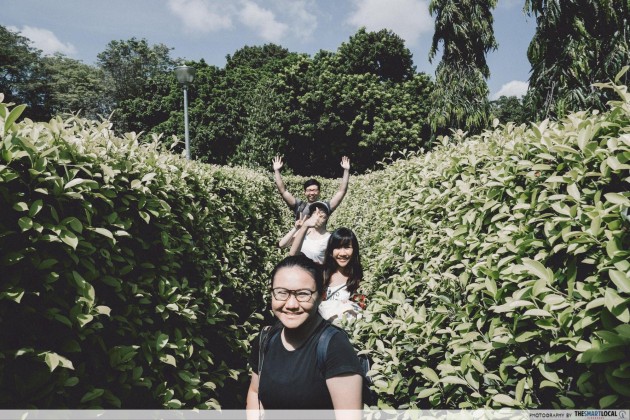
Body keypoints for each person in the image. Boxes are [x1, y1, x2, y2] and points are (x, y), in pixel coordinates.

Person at [246, 254, 363, 414]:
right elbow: (255, 392)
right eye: (282, 292)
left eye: (303, 294)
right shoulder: (266, 339)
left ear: (321, 296)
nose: (291, 304)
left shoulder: (334, 346)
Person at [272, 155, 351, 220]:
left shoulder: (325, 207)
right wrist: (276, 170)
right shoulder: (299, 206)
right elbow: (283, 191)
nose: (312, 193)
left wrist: (346, 170)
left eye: (314, 190)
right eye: (309, 190)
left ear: (319, 192)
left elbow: (342, 192)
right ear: (305, 192)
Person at [318, 228, 364, 321]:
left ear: (354, 250)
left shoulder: (361, 278)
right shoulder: (321, 274)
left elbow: (361, 307)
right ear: (331, 251)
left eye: (347, 247)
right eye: (338, 247)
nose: (342, 253)